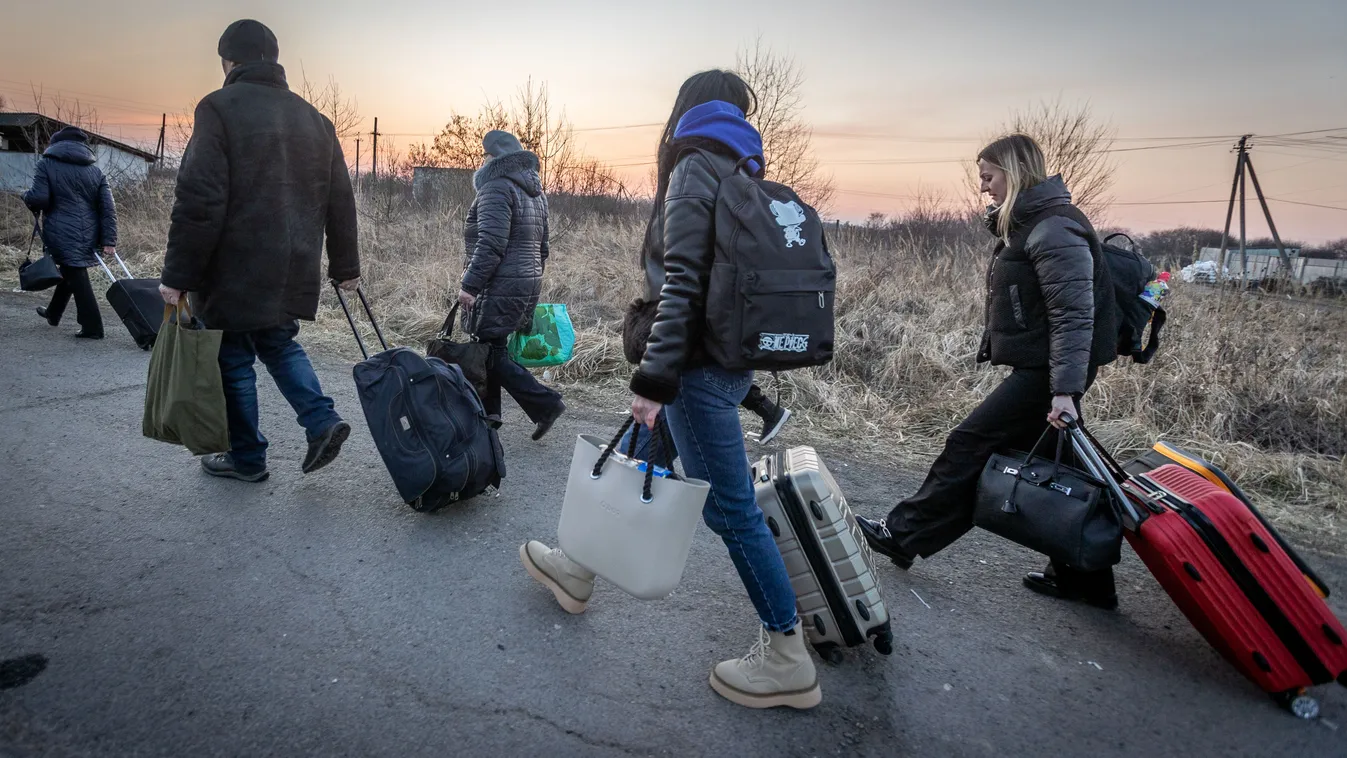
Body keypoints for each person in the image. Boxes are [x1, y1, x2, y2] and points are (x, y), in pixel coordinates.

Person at [520, 71, 821, 710]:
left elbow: (681, 282)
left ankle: (787, 653)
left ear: (685, 109)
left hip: (696, 368)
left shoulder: (694, 165)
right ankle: (577, 566)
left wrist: (654, 380)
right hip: (725, 358)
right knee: (639, 457)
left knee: (731, 510)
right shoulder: (743, 171)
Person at [857, 134, 1121, 609]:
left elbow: (1073, 317)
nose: (984, 188)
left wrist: (1063, 390)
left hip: (1048, 374)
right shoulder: (1035, 223)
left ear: (1015, 173)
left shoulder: (1055, 228)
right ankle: (1086, 580)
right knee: (1064, 466)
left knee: (970, 443)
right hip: (1046, 369)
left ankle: (902, 533)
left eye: (988, 177)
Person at [158, 19, 360, 483]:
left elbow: (199, 199)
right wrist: (345, 266)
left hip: (233, 266)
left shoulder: (219, 108)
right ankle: (321, 421)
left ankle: (247, 459)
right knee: (278, 343)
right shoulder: (316, 120)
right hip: (293, 265)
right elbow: (340, 199)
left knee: (231, 357)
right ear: (274, 58)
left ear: (229, 61)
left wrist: (177, 274)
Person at [457, 130, 566, 441]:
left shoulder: (495, 188)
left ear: (494, 158)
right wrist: (530, 280)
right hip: (525, 281)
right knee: (491, 347)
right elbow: (543, 247)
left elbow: (490, 244)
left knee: (489, 352)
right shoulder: (536, 192)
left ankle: (546, 404)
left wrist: (470, 285)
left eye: (484, 155)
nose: (481, 160)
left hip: (499, 282)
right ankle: (489, 417)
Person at [23, 126, 117, 340]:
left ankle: (93, 327)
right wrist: (109, 239)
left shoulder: (46, 164)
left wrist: (25, 196)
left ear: (56, 145)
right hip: (89, 233)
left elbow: (39, 199)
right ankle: (53, 314)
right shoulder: (96, 171)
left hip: (61, 231)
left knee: (76, 274)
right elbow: (108, 208)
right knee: (70, 270)